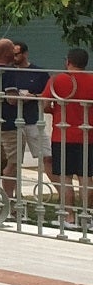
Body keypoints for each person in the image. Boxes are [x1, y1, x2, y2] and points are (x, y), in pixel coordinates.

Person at [0, 38, 47, 206]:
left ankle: (9, 199)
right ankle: (9, 201)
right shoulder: (9, 71)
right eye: (12, 51)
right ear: (6, 53)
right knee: (12, 163)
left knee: (5, 161)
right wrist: (25, 97)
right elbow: (11, 99)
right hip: (10, 121)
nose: (14, 54)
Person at [43, 47, 93, 230]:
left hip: (62, 135)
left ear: (68, 62)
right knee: (86, 178)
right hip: (88, 136)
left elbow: (45, 104)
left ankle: (69, 218)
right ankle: (87, 217)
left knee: (65, 178)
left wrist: (55, 110)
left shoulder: (58, 80)